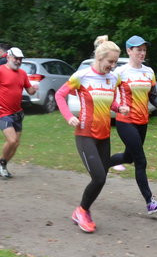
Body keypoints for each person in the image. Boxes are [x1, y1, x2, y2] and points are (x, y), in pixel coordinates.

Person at [54, 36, 129, 233]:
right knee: (99, 178)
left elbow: (108, 102)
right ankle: (82, 211)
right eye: (110, 61)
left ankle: (81, 210)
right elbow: (59, 95)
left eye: (115, 62)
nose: (113, 66)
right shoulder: (82, 76)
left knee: (101, 177)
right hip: (85, 135)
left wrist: (119, 108)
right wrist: (69, 116)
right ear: (99, 57)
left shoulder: (113, 78)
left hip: (104, 136)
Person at [108, 35, 157, 214]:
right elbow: (107, 93)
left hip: (142, 122)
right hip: (125, 122)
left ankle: (102, 164)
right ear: (129, 51)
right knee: (141, 161)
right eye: (138, 50)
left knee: (128, 157)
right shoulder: (120, 72)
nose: (142, 53)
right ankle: (150, 202)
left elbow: (153, 96)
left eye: (144, 50)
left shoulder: (148, 71)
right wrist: (117, 107)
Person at [0, 46, 36, 179]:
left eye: (20, 59)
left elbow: (30, 91)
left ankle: (3, 164)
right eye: (16, 58)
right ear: (9, 57)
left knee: (16, 143)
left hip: (17, 113)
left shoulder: (22, 73)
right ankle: (1, 163)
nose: (18, 61)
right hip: (3, 112)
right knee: (12, 140)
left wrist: (34, 88)